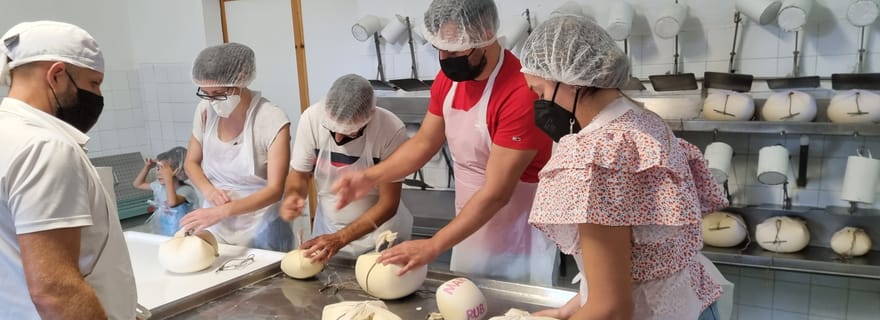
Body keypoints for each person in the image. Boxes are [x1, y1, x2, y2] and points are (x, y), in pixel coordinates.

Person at [332, 0, 557, 286]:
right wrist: (369, 176)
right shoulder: (449, 80)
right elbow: (425, 142)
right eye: (440, 47)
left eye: (454, 48)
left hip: (517, 238)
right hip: (468, 226)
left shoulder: (520, 92)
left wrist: (434, 244)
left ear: (485, 34)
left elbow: (497, 192)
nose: (445, 57)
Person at [519, 16, 727, 319]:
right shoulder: (644, 125)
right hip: (693, 305)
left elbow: (612, 309)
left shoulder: (591, 155)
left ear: (570, 80)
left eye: (538, 91)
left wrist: (589, 307)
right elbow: (631, 260)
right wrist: (569, 310)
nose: (537, 103)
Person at [0, 21, 137, 319]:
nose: (98, 96)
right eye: (94, 83)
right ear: (57, 76)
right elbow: (55, 290)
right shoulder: (44, 146)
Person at [180, 43, 307, 252]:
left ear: (241, 79)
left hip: (262, 225)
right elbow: (191, 162)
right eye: (206, 93)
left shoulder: (271, 119)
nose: (212, 100)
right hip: (216, 223)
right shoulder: (205, 111)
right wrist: (209, 191)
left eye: (218, 93)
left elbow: (275, 190)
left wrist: (224, 211)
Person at [281, 74, 412, 262]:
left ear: (368, 118)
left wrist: (341, 238)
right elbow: (300, 174)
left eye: (349, 133)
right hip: (327, 230)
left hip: (378, 235)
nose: (339, 139)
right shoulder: (311, 118)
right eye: (333, 130)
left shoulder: (390, 129)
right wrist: (294, 194)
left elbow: (388, 203)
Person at [133, 146, 200, 236]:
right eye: (158, 168)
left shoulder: (186, 190)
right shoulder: (159, 186)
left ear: (177, 171)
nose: (158, 173)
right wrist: (147, 167)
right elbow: (138, 184)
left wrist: (168, 178)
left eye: (163, 169)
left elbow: (172, 203)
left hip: (185, 233)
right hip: (165, 230)